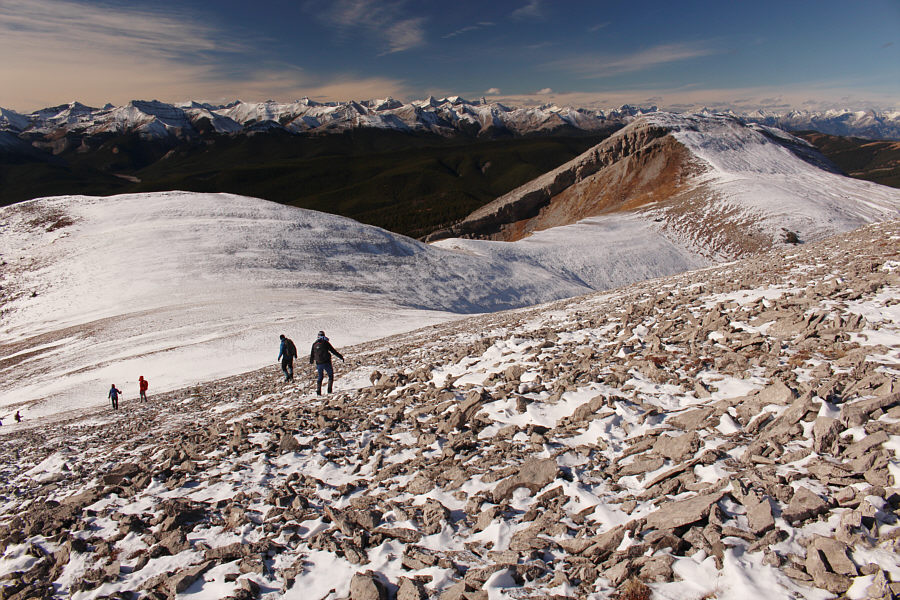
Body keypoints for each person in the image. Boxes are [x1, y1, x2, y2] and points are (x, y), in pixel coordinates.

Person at [309, 330, 344, 395]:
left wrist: (311, 361)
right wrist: (340, 357)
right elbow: (333, 351)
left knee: (320, 377)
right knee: (330, 376)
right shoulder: (326, 342)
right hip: (327, 362)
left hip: (319, 363)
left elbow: (312, 354)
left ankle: (318, 392)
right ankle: (329, 391)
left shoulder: (314, 344)